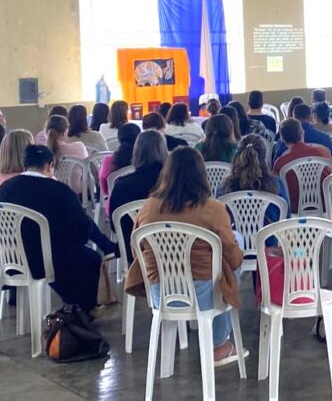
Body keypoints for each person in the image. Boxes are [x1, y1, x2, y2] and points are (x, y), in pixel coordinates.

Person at [124, 147, 244, 366]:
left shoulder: (147, 208)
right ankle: (219, 343)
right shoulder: (214, 209)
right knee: (237, 242)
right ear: (201, 174)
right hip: (203, 294)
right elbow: (234, 258)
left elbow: (137, 251)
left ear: (166, 174)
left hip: (161, 292)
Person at [0, 145, 117, 312]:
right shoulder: (59, 190)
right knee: (90, 258)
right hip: (46, 262)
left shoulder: (3, 190)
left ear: (25, 165)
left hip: (8, 260)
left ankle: (74, 305)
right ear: (50, 165)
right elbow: (81, 230)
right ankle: (84, 310)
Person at [217, 135, 289, 223]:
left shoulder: (224, 187)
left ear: (237, 156)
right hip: (270, 236)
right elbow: (286, 216)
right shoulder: (277, 184)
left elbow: (219, 220)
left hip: (234, 236)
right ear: (264, 158)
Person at [107, 130, 169, 218]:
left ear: (136, 152)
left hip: (129, 231)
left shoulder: (121, 186)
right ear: (164, 151)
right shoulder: (174, 185)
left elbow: (114, 222)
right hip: (167, 231)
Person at [43, 115, 88, 193]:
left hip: (51, 196)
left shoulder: (41, 152)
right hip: (77, 195)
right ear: (65, 132)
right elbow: (87, 170)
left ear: (46, 132)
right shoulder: (79, 147)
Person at [99, 123, 142, 200]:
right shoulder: (146, 160)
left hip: (116, 208)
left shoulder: (109, 160)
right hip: (142, 205)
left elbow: (105, 190)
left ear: (119, 139)